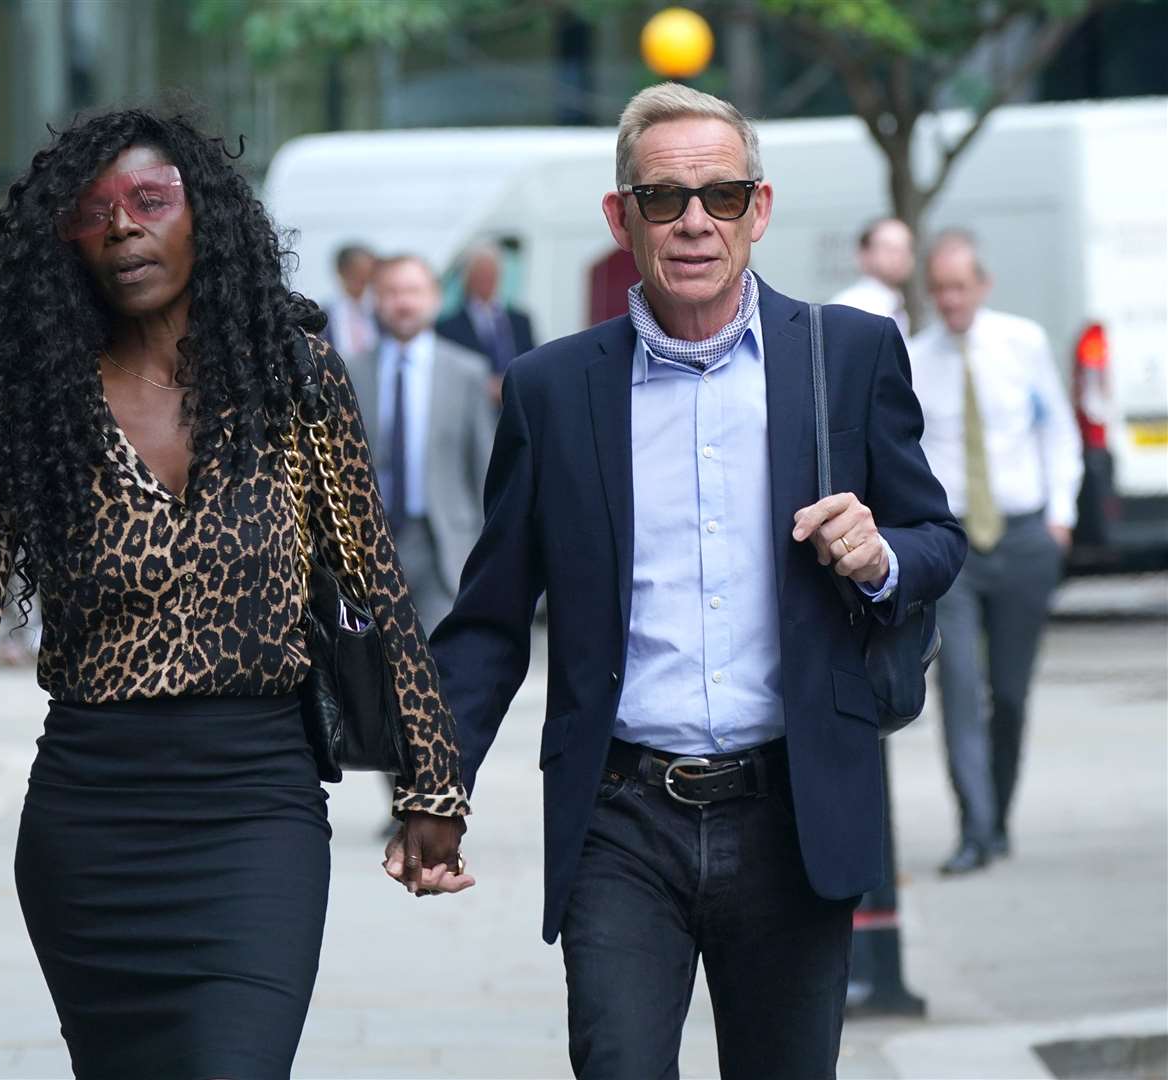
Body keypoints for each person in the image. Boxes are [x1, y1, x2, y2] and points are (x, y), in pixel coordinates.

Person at [0, 108, 472, 1080]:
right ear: (63, 241)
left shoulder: (292, 375)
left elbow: (373, 582)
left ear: (207, 219)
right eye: (95, 212)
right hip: (92, 821)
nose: (123, 227)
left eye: (151, 201)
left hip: (256, 806)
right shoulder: (39, 397)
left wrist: (430, 782)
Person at [391, 83, 966, 1078]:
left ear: (760, 209)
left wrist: (880, 558)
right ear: (622, 218)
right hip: (622, 818)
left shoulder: (849, 356)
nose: (696, 222)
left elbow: (935, 538)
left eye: (723, 197)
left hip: (792, 813)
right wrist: (436, 783)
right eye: (664, 199)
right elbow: (487, 621)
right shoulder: (552, 390)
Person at [910, 230, 1082, 875]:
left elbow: (1057, 431)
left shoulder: (1023, 344)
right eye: (941, 289)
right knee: (956, 689)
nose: (951, 300)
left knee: (1007, 694)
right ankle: (973, 829)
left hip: (1022, 533)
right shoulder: (915, 357)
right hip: (951, 543)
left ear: (982, 286)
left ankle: (999, 815)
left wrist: (1060, 519)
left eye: (961, 287)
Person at [344, 254, 496, 635]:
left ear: (435, 298)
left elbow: (485, 468)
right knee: (374, 664)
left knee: (438, 666)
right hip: (370, 544)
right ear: (376, 300)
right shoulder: (350, 370)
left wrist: (486, 550)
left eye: (413, 291)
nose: (403, 302)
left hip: (443, 543)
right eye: (392, 292)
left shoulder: (466, 372)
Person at [437, 245, 536, 405]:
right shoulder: (448, 327)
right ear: (468, 278)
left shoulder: (520, 321)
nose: (486, 280)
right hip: (472, 405)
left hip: (514, 405)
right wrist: (484, 386)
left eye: (491, 274)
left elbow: (533, 362)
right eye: (480, 274)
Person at [829, 217, 914, 337]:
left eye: (906, 248)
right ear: (864, 254)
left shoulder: (896, 305)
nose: (900, 256)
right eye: (889, 248)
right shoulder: (851, 307)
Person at [324, 242, 379, 357]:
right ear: (341, 272)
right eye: (355, 273)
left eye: (367, 274)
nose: (361, 280)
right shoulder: (324, 316)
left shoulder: (382, 312)